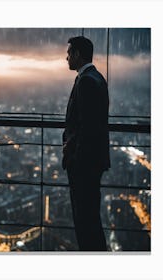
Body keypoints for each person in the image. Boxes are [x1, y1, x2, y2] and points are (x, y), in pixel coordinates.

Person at [62, 36, 110, 251]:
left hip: (84, 165)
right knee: (91, 218)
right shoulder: (96, 77)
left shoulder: (87, 81)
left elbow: (88, 128)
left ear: (78, 55)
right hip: (92, 163)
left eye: (69, 52)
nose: (66, 57)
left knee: (85, 221)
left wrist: (75, 160)